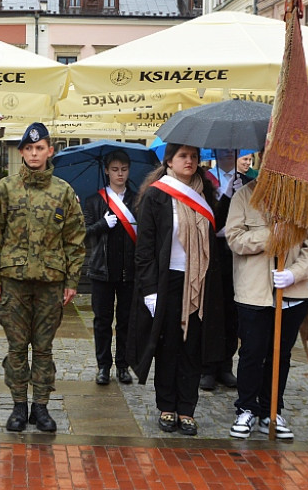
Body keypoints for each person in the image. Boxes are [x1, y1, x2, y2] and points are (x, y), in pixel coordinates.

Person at [0, 122, 86, 432]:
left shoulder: (63, 191)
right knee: (17, 348)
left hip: (50, 283)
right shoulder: (5, 188)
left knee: (43, 348)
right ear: (21, 152)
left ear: (50, 151)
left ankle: (40, 407)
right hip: (13, 282)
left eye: (39, 148)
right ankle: (18, 407)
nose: (33, 153)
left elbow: (75, 240)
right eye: (28, 148)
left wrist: (71, 282)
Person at [130, 143, 224, 437]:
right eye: (183, 156)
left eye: (194, 156)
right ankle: (166, 406)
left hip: (199, 281)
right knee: (169, 345)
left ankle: (187, 409)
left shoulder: (205, 193)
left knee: (192, 347)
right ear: (169, 160)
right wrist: (149, 290)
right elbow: (145, 248)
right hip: (166, 281)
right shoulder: (156, 195)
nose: (190, 161)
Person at [224, 178, 308, 439]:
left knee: (280, 355)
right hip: (254, 291)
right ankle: (246, 408)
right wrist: (271, 235)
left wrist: (296, 273)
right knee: (252, 352)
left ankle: (273, 409)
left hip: (292, 290)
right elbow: (234, 238)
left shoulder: (305, 197)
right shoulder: (245, 195)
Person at [200, 149, 254, 392]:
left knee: (233, 310)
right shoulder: (204, 180)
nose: (226, 153)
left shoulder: (248, 180)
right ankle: (208, 367)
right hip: (211, 252)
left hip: (237, 252)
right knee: (212, 309)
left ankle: (225, 365)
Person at [82, 150, 137, 386]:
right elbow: (82, 234)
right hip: (101, 271)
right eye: (115, 169)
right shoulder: (94, 201)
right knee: (102, 322)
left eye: (124, 169)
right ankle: (103, 366)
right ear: (107, 171)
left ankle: (123, 366)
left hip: (128, 272)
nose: (120, 174)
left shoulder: (137, 200)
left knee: (125, 322)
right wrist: (102, 224)